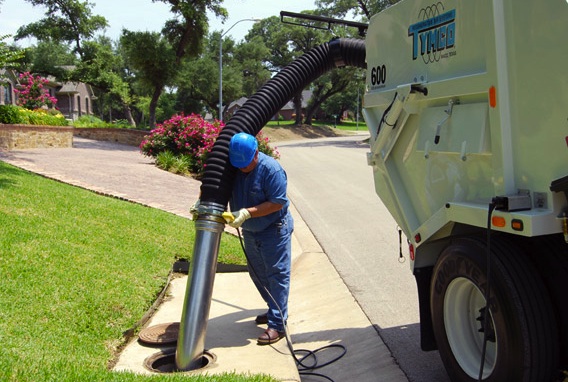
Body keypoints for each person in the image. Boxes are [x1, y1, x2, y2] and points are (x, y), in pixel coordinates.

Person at [226, 132, 294, 345]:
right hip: (251, 231)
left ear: (256, 153)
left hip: (274, 229)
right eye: (240, 165)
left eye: (246, 164)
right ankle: (274, 308)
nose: (243, 168)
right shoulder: (234, 166)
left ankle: (277, 324)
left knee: (277, 275)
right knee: (257, 273)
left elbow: (277, 202)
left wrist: (246, 213)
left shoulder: (271, 169)